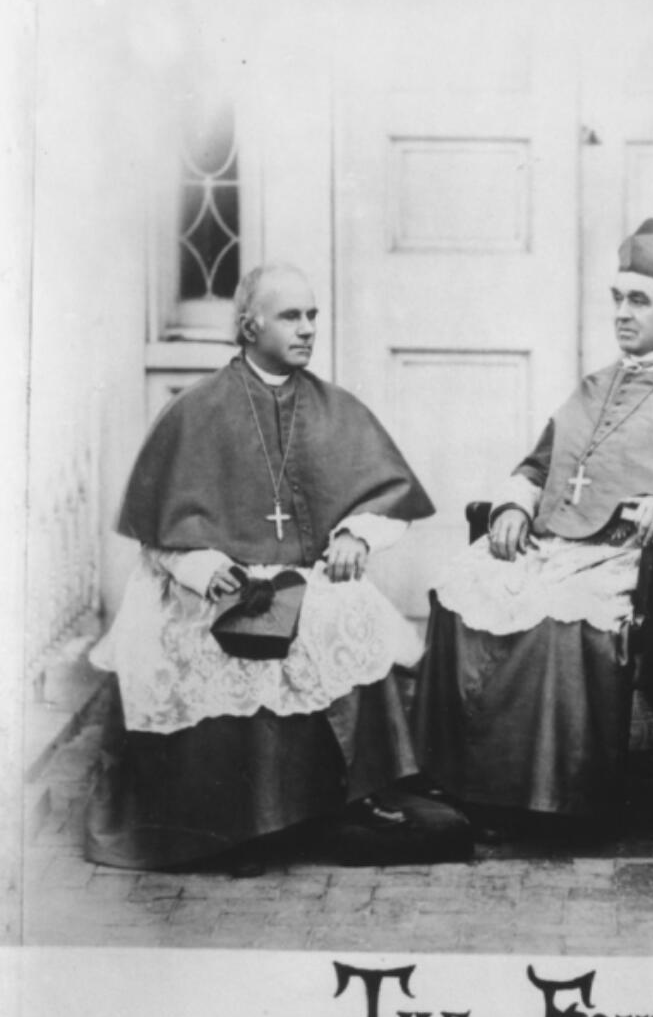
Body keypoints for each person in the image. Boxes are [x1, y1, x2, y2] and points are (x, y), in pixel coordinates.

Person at [413, 219, 653, 820]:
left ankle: (546, 797)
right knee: (462, 585)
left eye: (639, 300)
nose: (622, 314)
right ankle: (460, 781)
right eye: (617, 299)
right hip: (551, 540)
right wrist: (512, 506)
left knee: (563, 621)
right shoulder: (595, 386)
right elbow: (538, 466)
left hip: (623, 555)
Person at [86, 263, 439, 873]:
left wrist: (356, 533)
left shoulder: (336, 409)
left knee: (350, 614)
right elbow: (157, 536)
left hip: (305, 577)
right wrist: (199, 564)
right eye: (291, 316)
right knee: (190, 641)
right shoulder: (194, 412)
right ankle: (228, 819)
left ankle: (348, 797)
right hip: (216, 583)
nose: (307, 329)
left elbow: (387, 498)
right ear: (250, 326)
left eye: (312, 316)